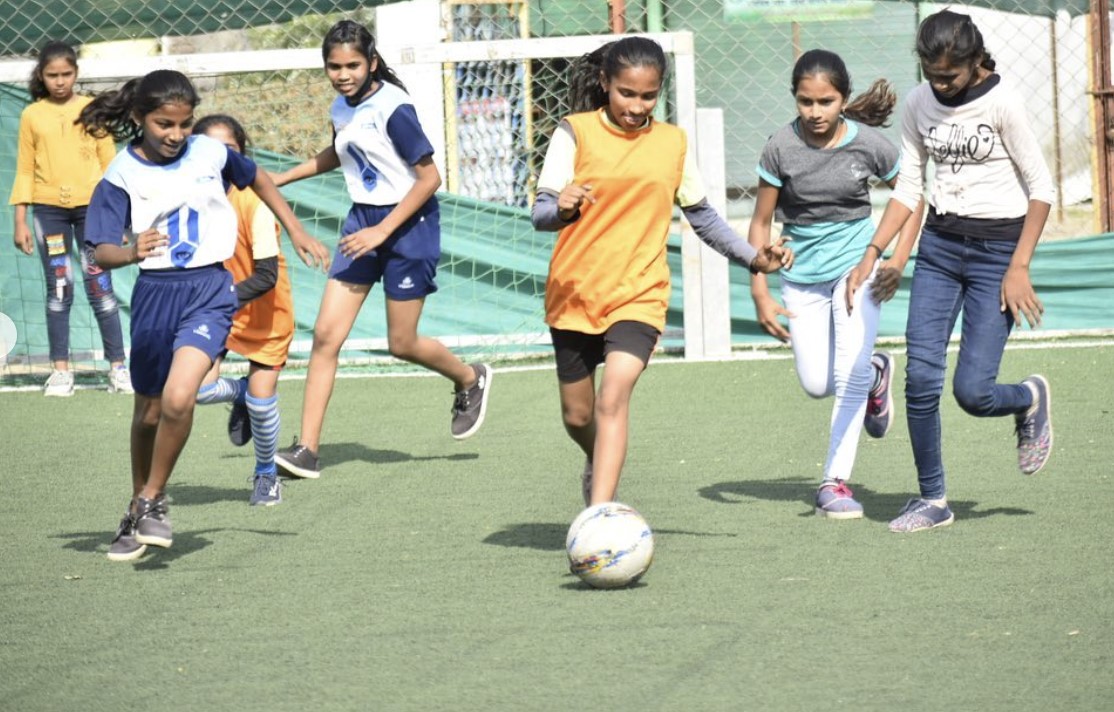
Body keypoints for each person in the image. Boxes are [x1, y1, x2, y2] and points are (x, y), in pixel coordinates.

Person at [78, 69, 329, 561]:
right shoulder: (120, 174)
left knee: (179, 398)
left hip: (210, 291)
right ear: (138, 118)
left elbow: (254, 175)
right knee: (148, 412)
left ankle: (153, 497)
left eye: (184, 124)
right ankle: (139, 504)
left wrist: (295, 229)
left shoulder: (210, 152)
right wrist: (130, 252)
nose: (175, 135)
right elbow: (99, 252)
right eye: (163, 124)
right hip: (155, 294)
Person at [532, 36, 792, 507]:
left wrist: (754, 257)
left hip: (639, 295)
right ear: (605, 83)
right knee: (577, 416)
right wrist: (563, 207)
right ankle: (600, 461)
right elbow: (541, 213)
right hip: (574, 293)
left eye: (647, 95)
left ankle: (601, 514)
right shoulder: (574, 132)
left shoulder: (672, 142)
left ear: (660, 92)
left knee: (614, 398)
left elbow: (704, 218)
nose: (636, 105)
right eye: (626, 93)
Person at [846, 10, 1055, 533]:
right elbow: (909, 188)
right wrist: (875, 251)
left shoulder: (1003, 103)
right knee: (921, 380)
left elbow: (1042, 189)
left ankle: (1028, 397)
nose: (940, 84)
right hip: (939, 248)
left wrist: (1018, 267)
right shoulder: (920, 104)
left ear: (974, 61)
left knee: (973, 393)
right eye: (931, 73)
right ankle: (932, 499)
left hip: (997, 256)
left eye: (950, 76)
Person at [272, 20, 492, 480]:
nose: (343, 73)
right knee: (326, 338)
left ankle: (470, 377)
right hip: (363, 223)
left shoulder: (394, 107)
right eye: (334, 66)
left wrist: (382, 232)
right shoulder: (341, 107)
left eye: (352, 64)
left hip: (409, 225)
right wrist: (282, 177)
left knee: (401, 343)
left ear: (372, 62)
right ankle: (307, 450)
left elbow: (429, 178)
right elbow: (342, 151)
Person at [748, 49, 924, 520]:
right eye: (805, 102)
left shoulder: (869, 144)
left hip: (856, 271)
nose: (815, 112)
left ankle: (834, 481)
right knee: (816, 382)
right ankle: (876, 372)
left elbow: (912, 197)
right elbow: (761, 222)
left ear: (843, 99)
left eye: (825, 101)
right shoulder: (780, 147)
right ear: (795, 100)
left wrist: (895, 260)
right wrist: (759, 288)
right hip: (800, 276)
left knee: (846, 377)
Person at [193, 114, 308, 507]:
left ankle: (265, 475)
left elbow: (265, 277)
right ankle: (238, 393)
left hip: (266, 314)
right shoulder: (189, 200)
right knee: (196, 389)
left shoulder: (254, 202)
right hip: (221, 312)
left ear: (242, 155)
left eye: (231, 151)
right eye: (211, 150)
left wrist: (216, 298)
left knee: (263, 404)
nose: (221, 158)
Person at [9, 40, 131, 397]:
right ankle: (60, 372)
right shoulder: (32, 115)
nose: (60, 81)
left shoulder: (92, 110)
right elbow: (25, 169)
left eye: (66, 74)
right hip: (49, 213)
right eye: (52, 75)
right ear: (41, 76)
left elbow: (112, 167)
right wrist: (20, 220)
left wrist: (120, 219)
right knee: (59, 288)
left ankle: (118, 367)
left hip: (93, 212)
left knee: (100, 286)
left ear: (76, 73)